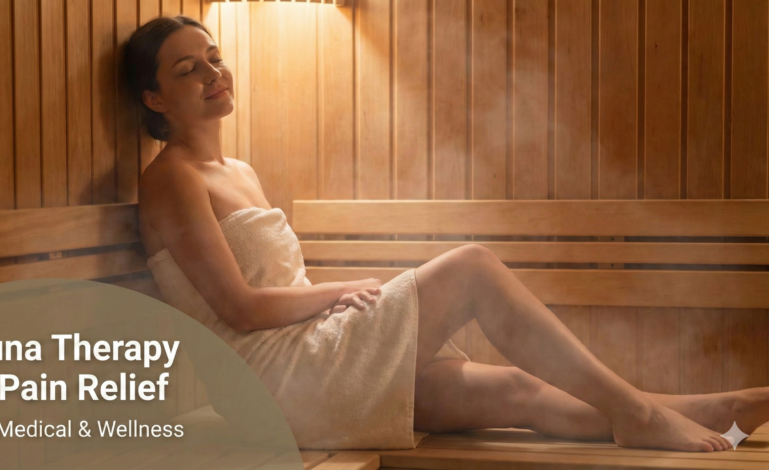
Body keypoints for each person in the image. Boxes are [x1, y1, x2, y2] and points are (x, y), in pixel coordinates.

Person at [123, 15, 767, 452]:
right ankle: (642, 416)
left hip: (308, 358)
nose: (214, 75)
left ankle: (708, 409)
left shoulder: (237, 170)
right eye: (188, 71)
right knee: (472, 267)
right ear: (154, 99)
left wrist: (332, 300)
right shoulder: (171, 180)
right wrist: (340, 291)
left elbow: (273, 292)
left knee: (514, 391)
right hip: (269, 382)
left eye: (214, 59)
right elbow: (239, 307)